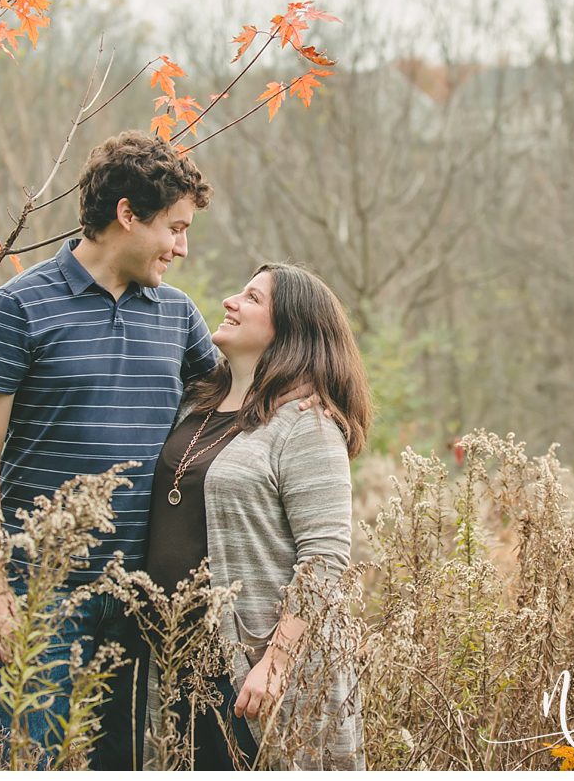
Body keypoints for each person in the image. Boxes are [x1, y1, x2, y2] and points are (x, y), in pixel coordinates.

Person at [0, 131, 221, 768]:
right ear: (127, 214)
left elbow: (235, 405)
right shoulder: (17, 308)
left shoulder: (178, 315)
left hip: (140, 594)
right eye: (175, 228)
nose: (183, 248)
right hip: (40, 593)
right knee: (31, 762)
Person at [142, 263, 369, 769]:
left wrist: (276, 664)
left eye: (252, 298)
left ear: (291, 328)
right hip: (176, 655)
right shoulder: (193, 406)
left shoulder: (306, 424)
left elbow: (325, 559)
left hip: (252, 665)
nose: (229, 300)